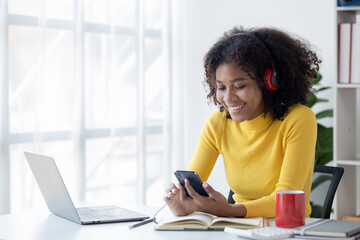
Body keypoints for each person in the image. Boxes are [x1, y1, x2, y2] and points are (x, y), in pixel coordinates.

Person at [164, 26, 321, 219]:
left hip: (287, 227)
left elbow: (286, 199)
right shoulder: (217, 123)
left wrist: (227, 210)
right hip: (239, 226)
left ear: (269, 82)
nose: (228, 98)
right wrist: (185, 203)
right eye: (221, 87)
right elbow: (192, 184)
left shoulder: (298, 119)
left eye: (239, 86)